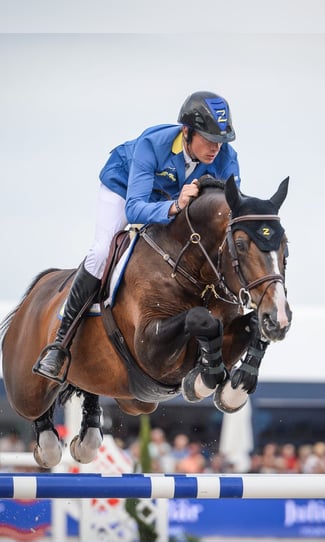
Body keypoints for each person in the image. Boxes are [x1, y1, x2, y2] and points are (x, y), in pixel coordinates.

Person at [34, 91, 241, 382]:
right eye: (208, 139)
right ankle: (59, 342)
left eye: (221, 141)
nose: (215, 149)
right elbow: (134, 209)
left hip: (172, 197)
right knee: (102, 251)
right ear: (187, 132)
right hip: (124, 188)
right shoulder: (152, 145)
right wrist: (174, 205)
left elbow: (228, 211)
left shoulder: (227, 159)